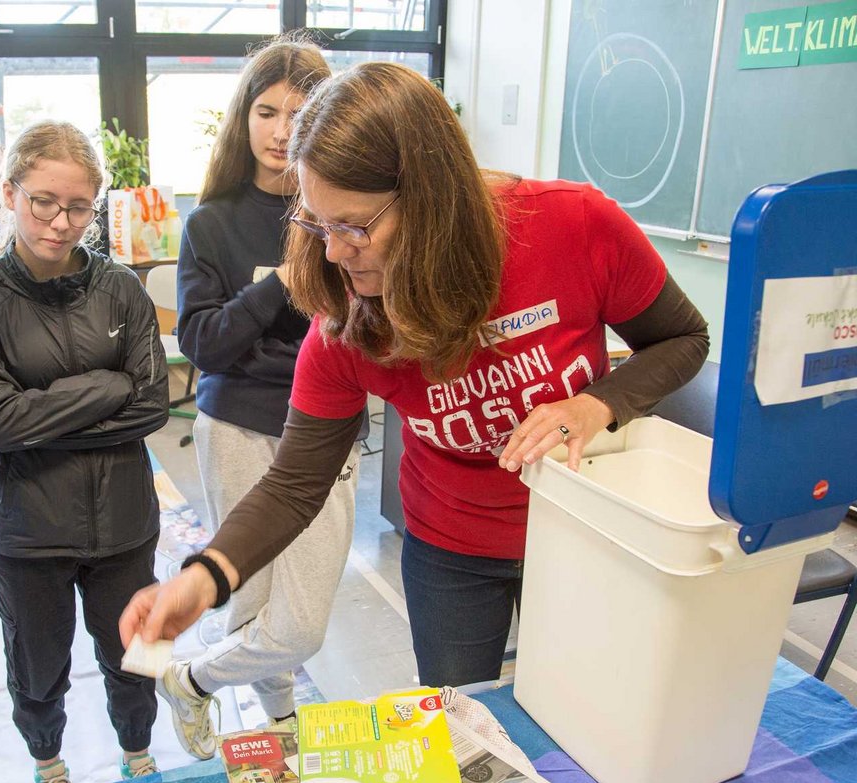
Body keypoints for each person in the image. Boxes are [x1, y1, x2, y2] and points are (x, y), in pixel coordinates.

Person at [121, 63, 710, 691]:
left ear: (433, 201)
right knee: (459, 718)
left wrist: (597, 405)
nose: (332, 252)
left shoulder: (573, 226)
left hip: (581, 529)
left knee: (582, 709)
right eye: (318, 224)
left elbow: (683, 338)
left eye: (354, 227)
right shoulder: (346, 317)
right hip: (450, 548)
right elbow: (295, 483)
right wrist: (204, 576)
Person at [156, 39, 365, 760]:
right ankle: (279, 720)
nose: (281, 130)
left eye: (300, 113)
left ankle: (190, 679)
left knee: (300, 620)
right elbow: (205, 344)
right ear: (242, 118)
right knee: (252, 598)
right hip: (239, 425)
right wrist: (278, 283)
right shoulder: (210, 221)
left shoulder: (339, 210)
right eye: (266, 110)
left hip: (326, 431)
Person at [0, 121, 170, 783]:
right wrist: (106, 388)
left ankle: (138, 750)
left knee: (136, 652)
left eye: (78, 207)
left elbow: (153, 405)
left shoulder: (122, 289)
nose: (61, 221)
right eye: (44, 201)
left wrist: (47, 410)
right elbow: (1, 424)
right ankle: (48, 761)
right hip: (28, 529)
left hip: (124, 521)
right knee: (37, 667)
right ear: (10, 194)